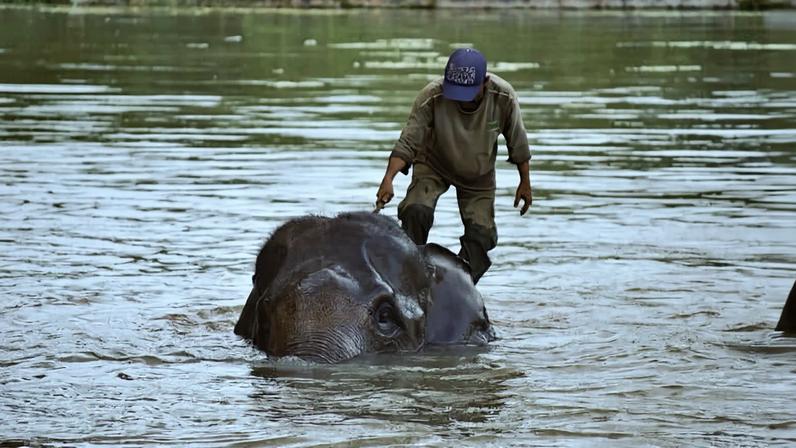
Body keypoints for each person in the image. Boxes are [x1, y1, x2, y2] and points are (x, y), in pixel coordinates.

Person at [375, 47, 532, 284]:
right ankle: (408, 278)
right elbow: (408, 141)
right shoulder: (432, 96)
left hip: (478, 173)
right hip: (433, 164)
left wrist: (525, 182)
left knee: (482, 235)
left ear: (485, 82)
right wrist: (389, 179)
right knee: (416, 210)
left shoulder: (504, 98)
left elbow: (518, 142)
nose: (460, 98)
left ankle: (454, 285)